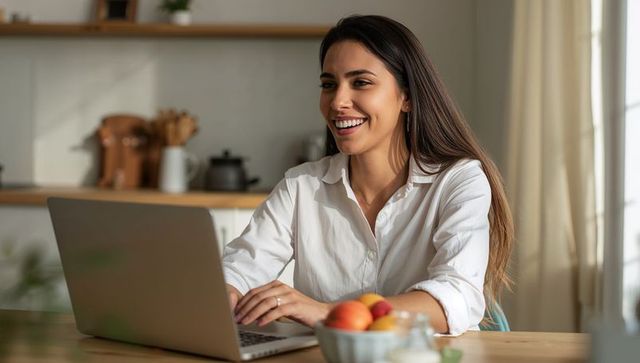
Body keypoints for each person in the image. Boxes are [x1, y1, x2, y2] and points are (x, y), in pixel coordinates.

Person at [222, 15, 514, 335]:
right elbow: (239, 269)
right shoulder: (300, 186)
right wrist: (227, 291)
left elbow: (455, 298)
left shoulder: (459, 181)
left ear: (407, 97)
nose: (337, 101)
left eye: (360, 82)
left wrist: (328, 313)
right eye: (329, 84)